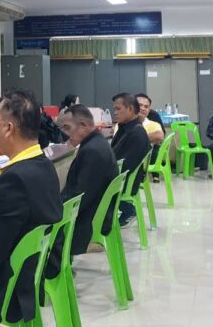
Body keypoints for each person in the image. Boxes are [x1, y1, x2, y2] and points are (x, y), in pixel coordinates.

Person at [0, 90, 63, 324]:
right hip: (29, 276)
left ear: (8, 128)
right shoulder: (44, 166)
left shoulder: (15, 180)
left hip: (5, 290)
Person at [58, 105, 116, 256]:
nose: (65, 133)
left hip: (88, 220)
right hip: (95, 211)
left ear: (83, 125)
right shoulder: (97, 143)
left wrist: (54, 208)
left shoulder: (92, 151)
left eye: (67, 128)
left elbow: (80, 196)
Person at [110, 93, 150, 224]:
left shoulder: (136, 133)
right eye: (114, 109)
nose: (115, 113)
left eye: (118, 109)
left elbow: (126, 166)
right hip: (120, 176)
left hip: (124, 182)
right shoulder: (126, 128)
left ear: (131, 109)